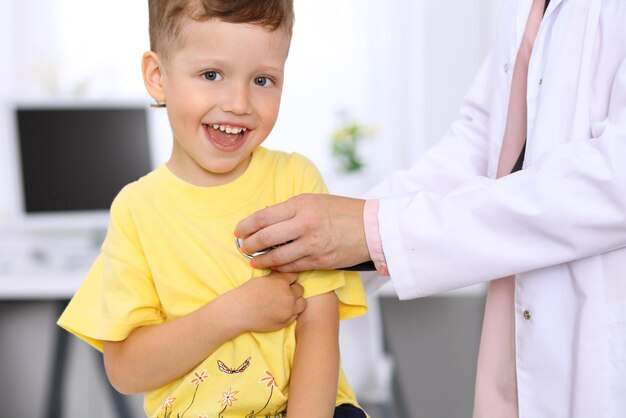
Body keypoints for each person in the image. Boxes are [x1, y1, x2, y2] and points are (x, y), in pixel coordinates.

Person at [235, 0, 626, 417]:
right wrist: (340, 241)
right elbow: (482, 144)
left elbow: (613, 180)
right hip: (521, 334)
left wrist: (373, 231)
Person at [57, 1, 368, 417]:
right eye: (211, 75)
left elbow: (319, 328)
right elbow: (126, 370)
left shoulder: (295, 181)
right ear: (157, 77)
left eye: (263, 79)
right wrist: (232, 314)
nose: (239, 103)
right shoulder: (137, 210)